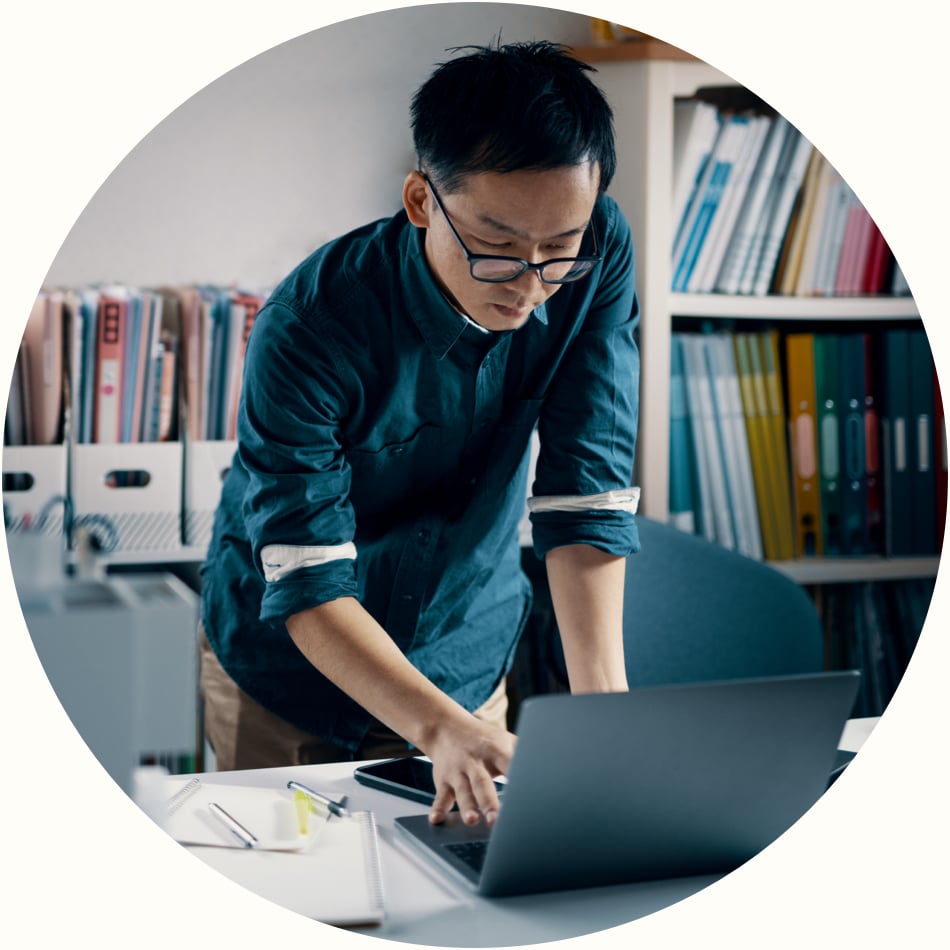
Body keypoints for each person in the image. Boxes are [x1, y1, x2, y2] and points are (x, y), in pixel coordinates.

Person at [198, 39, 641, 828]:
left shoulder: (599, 251)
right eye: (499, 249)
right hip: (293, 673)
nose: (534, 288)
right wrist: (437, 728)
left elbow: (587, 494)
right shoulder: (310, 325)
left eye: (558, 252)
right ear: (420, 200)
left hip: (464, 655)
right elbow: (306, 576)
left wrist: (610, 723)